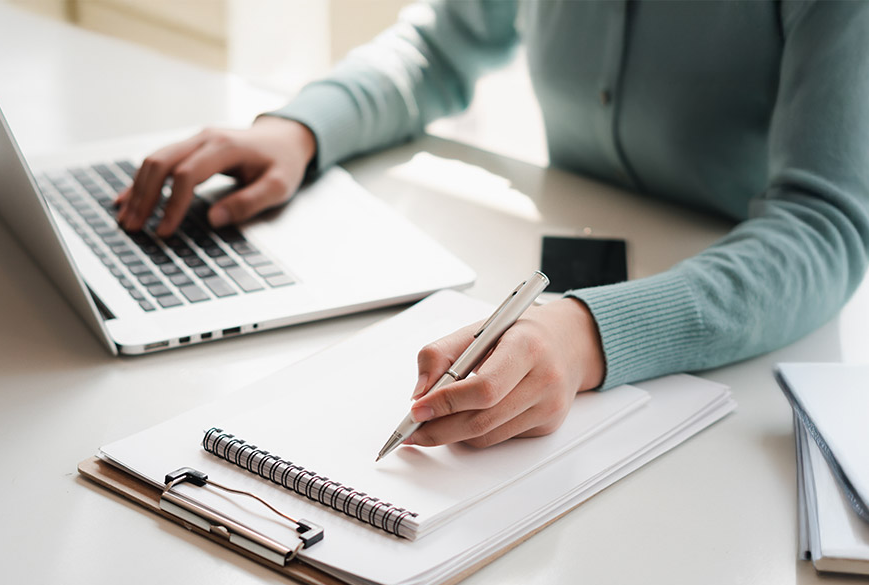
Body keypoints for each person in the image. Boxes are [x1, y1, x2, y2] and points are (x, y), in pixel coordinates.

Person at [116, 0, 869, 449]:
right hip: (567, 273)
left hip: (752, 349)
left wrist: (591, 334)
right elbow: (438, 46)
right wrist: (303, 128)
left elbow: (824, 222)